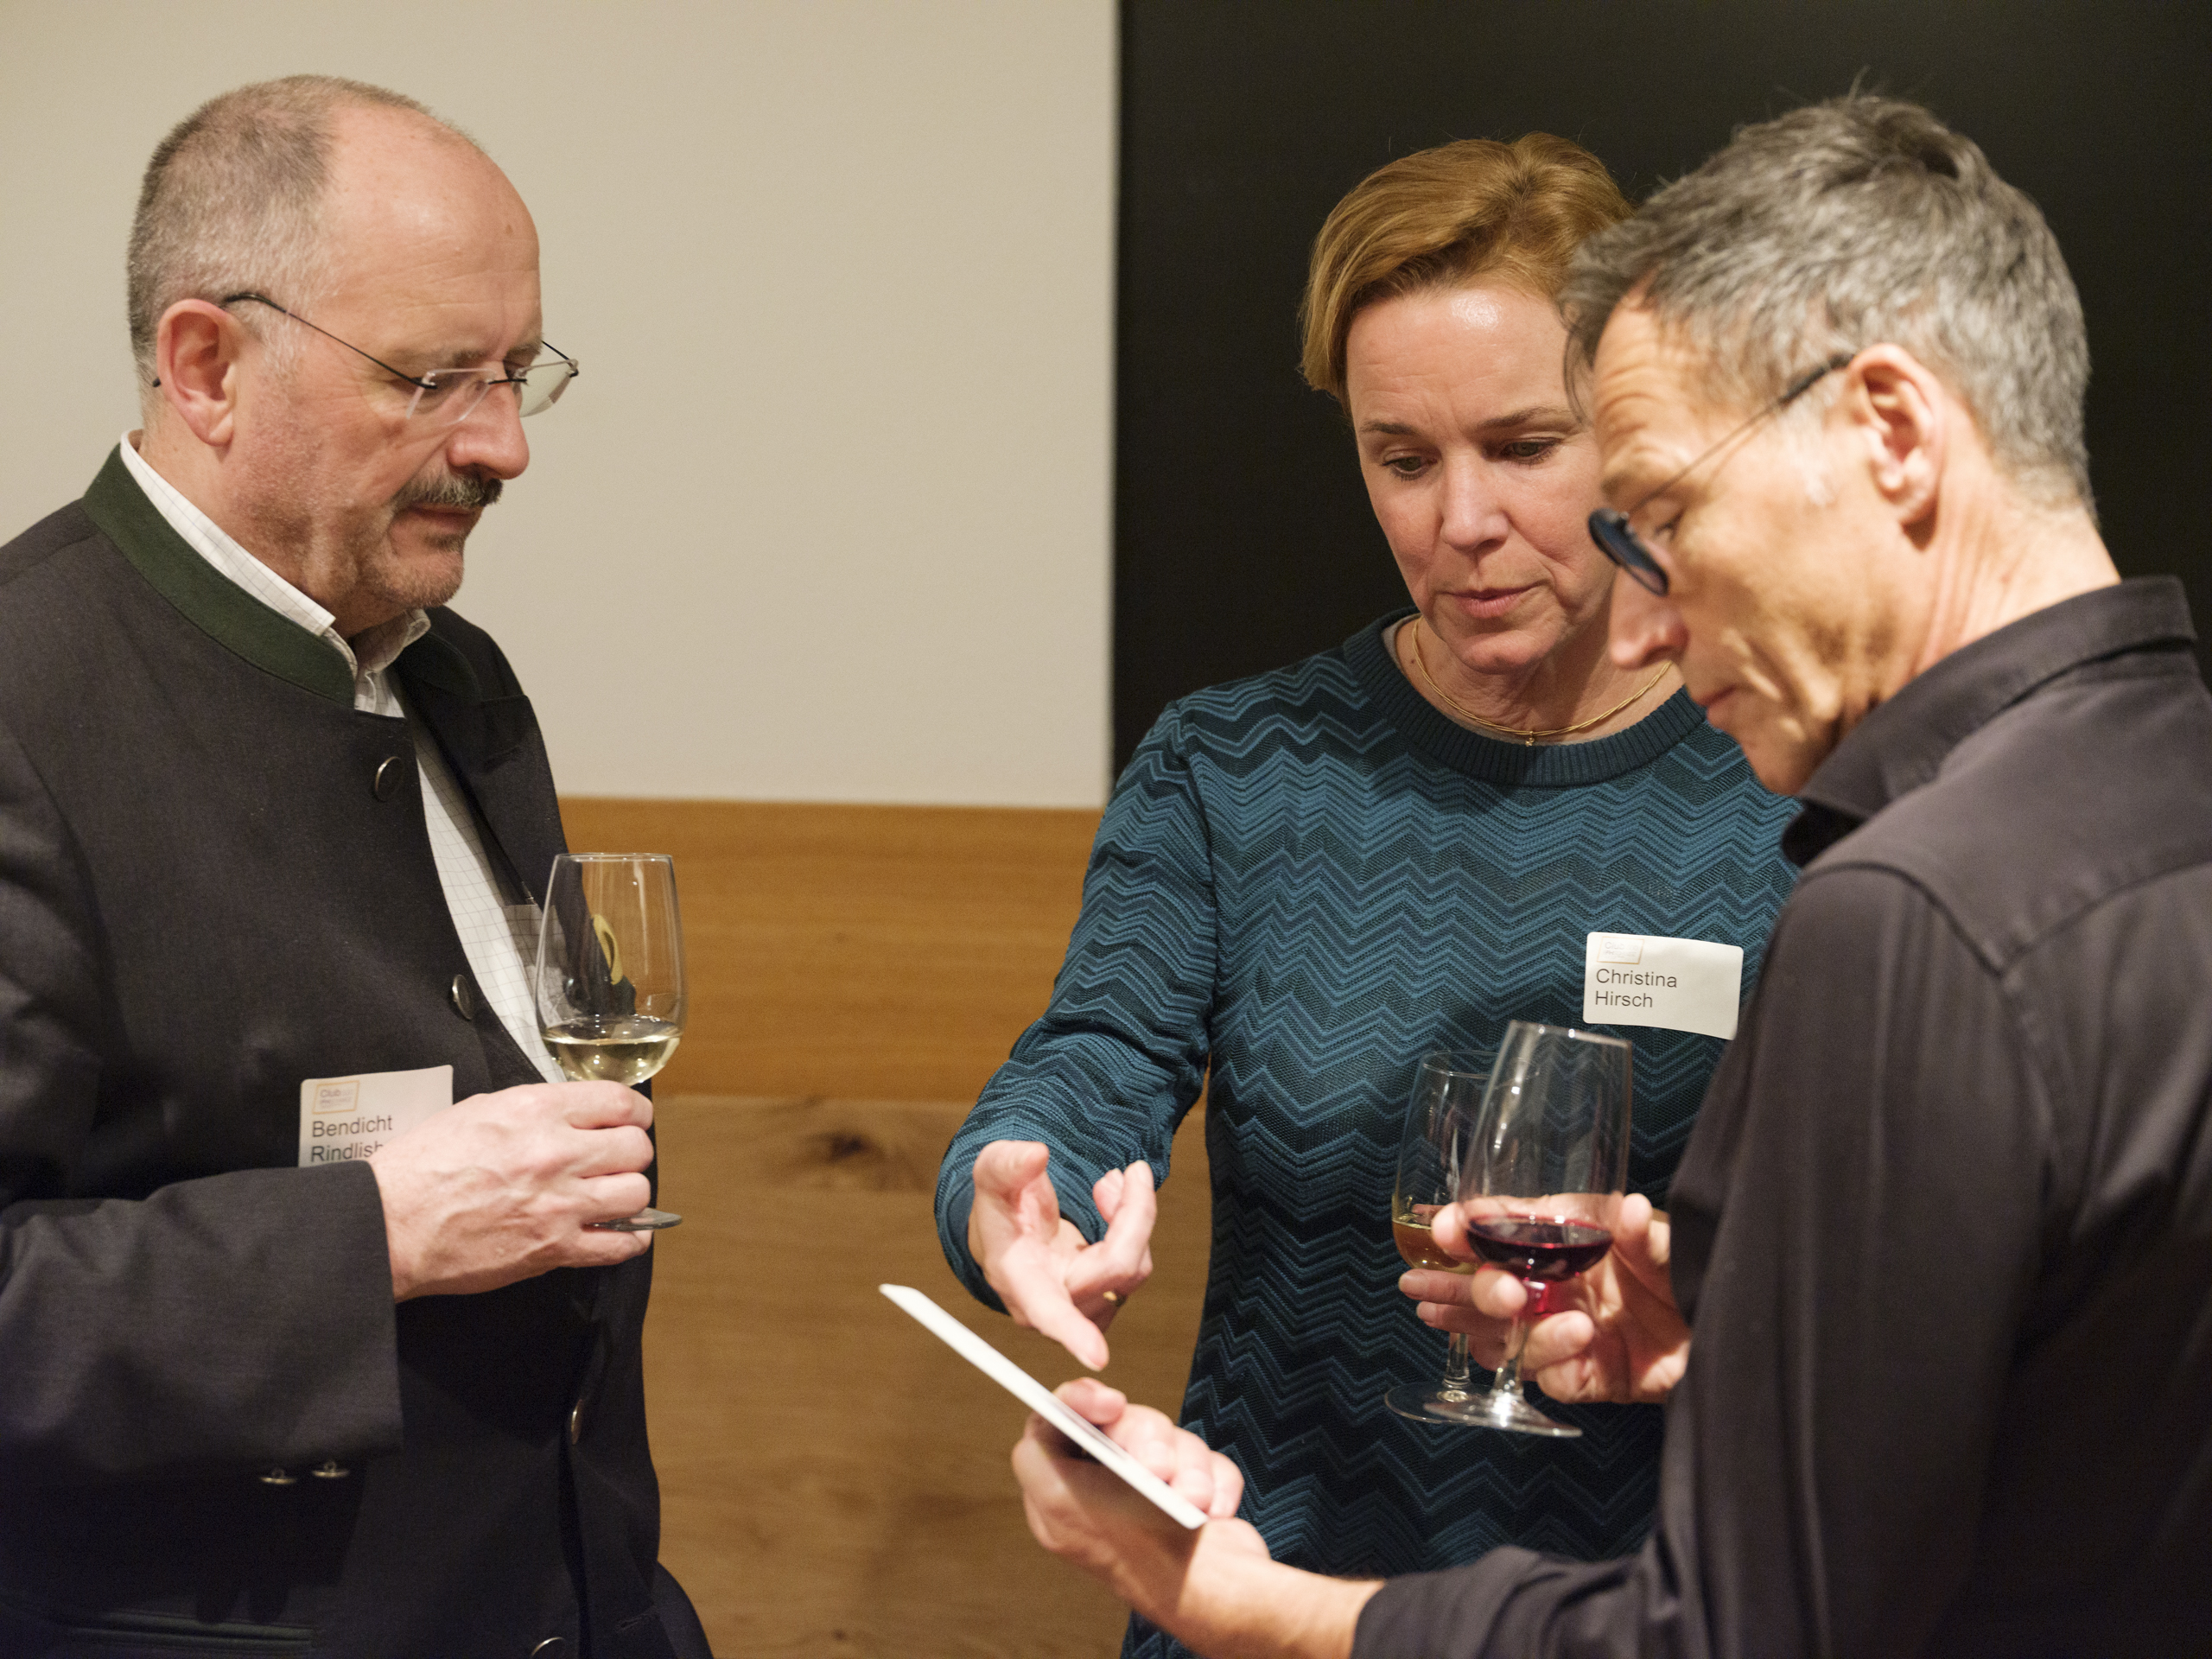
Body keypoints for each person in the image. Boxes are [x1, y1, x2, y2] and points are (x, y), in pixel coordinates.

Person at [1005, 93, 2212, 1657]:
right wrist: (1733, 1342)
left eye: (1647, 507)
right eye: (1399, 458)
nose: (1471, 527)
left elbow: (1746, 1620)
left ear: (1896, 435)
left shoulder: (1891, 888)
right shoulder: (2157, 775)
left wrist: (1251, 1609)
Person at [936, 134, 1800, 1655]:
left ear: (1639, 426)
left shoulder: (1781, 763)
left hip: (1655, 1606)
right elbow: (1096, 1060)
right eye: (1404, 459)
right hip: (1263, 1587)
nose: (1459, 521)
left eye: (1524, 447)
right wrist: (1019, 1194)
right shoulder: (1238, 761)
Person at [0, 77, 710, 1656]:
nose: (508, 445)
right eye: (436, 378)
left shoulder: (455, 673)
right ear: (206, 366)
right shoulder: (24, 704)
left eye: (520, 374)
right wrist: (369, 1237)